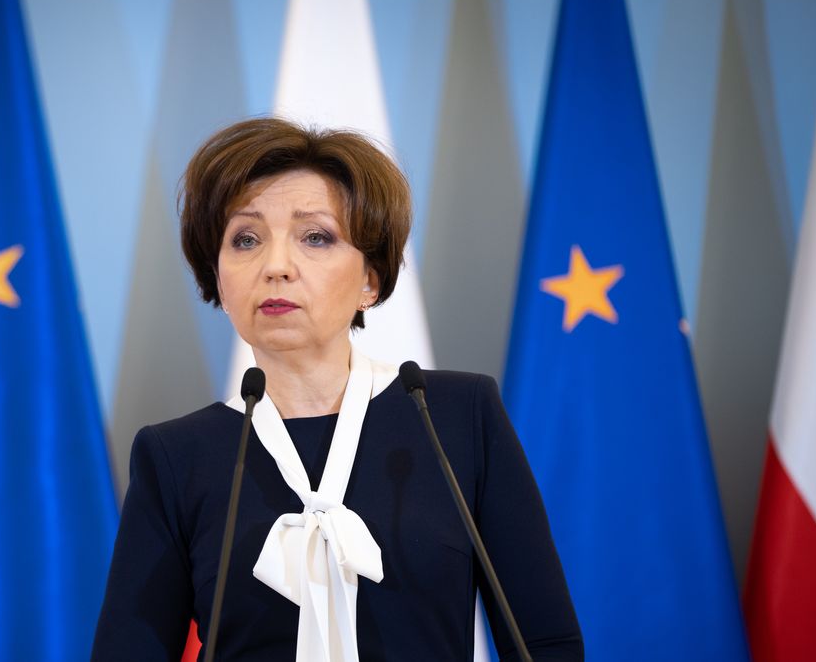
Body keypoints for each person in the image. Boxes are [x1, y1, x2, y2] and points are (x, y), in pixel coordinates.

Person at [92, 118, 582, 661]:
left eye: (316, 237)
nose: (276, 266)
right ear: (219, 281)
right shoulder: (177, 456)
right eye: (246, 239)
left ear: (370, 280)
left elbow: (544, 641)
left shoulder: (454, 417)